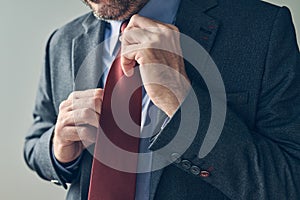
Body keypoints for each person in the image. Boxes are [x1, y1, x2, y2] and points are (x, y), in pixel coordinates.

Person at [24, 0, 300, 199]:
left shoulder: (263, 29)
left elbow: (290, 182)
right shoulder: (62, 40)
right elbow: (35, 139)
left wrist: (184, 102)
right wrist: (58, 149)